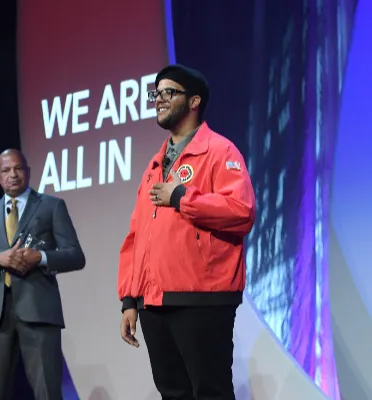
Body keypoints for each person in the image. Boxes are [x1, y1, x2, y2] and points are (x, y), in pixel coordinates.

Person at [117, 64, 256, 399]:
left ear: (194, 101)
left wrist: (181, 197)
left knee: (211, 392)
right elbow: (137, 236)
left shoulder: (220, 151)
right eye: (155, 93)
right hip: (154, 303)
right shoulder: (154, 165)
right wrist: (129, 300)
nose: (159, 99)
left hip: (202, 298)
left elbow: (242, 211)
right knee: (173, 393)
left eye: (169, 92)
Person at [0, 149, 85, 400]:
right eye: (6, 170)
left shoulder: (51, 206)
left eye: (18, 168)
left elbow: (75, 255)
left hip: (38, 310)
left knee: (48, 392)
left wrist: (40, 258)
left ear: (28, 172)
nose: (13, 175)